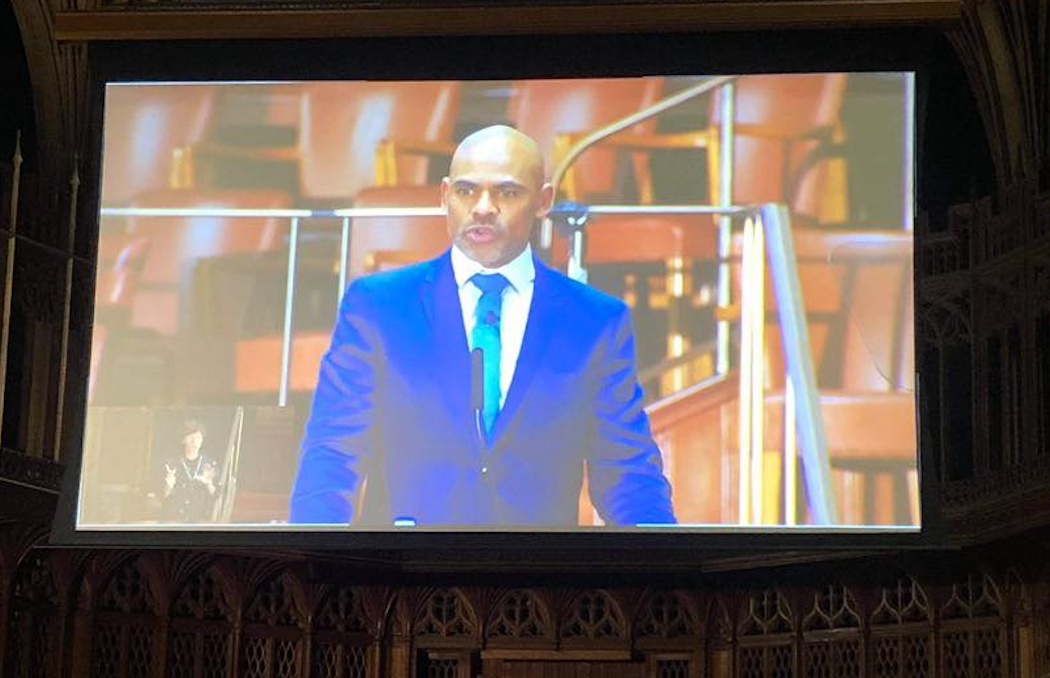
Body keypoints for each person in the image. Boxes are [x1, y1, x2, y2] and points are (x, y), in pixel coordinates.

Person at [289, 125, 675, 527]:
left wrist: (667, 566)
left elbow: (627, 471)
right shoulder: (378, 305)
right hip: (404, 576)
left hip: (536, 578)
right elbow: (333, 452)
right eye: (466, 191)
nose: (483, 207)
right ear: (444, 196)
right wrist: (317, 556)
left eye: (507, 193)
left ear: (544, 201)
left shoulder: (595, 321)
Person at [161, 419, 221, 522]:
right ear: (183, 440)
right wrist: (168, 486)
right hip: (176, 518)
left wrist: (209, 483)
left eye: (198, 438)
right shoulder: (172, 463)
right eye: (191, 437)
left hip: (202, 518)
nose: (195, 441)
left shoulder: (210, 463)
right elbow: (163, 497)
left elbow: (217, 496)